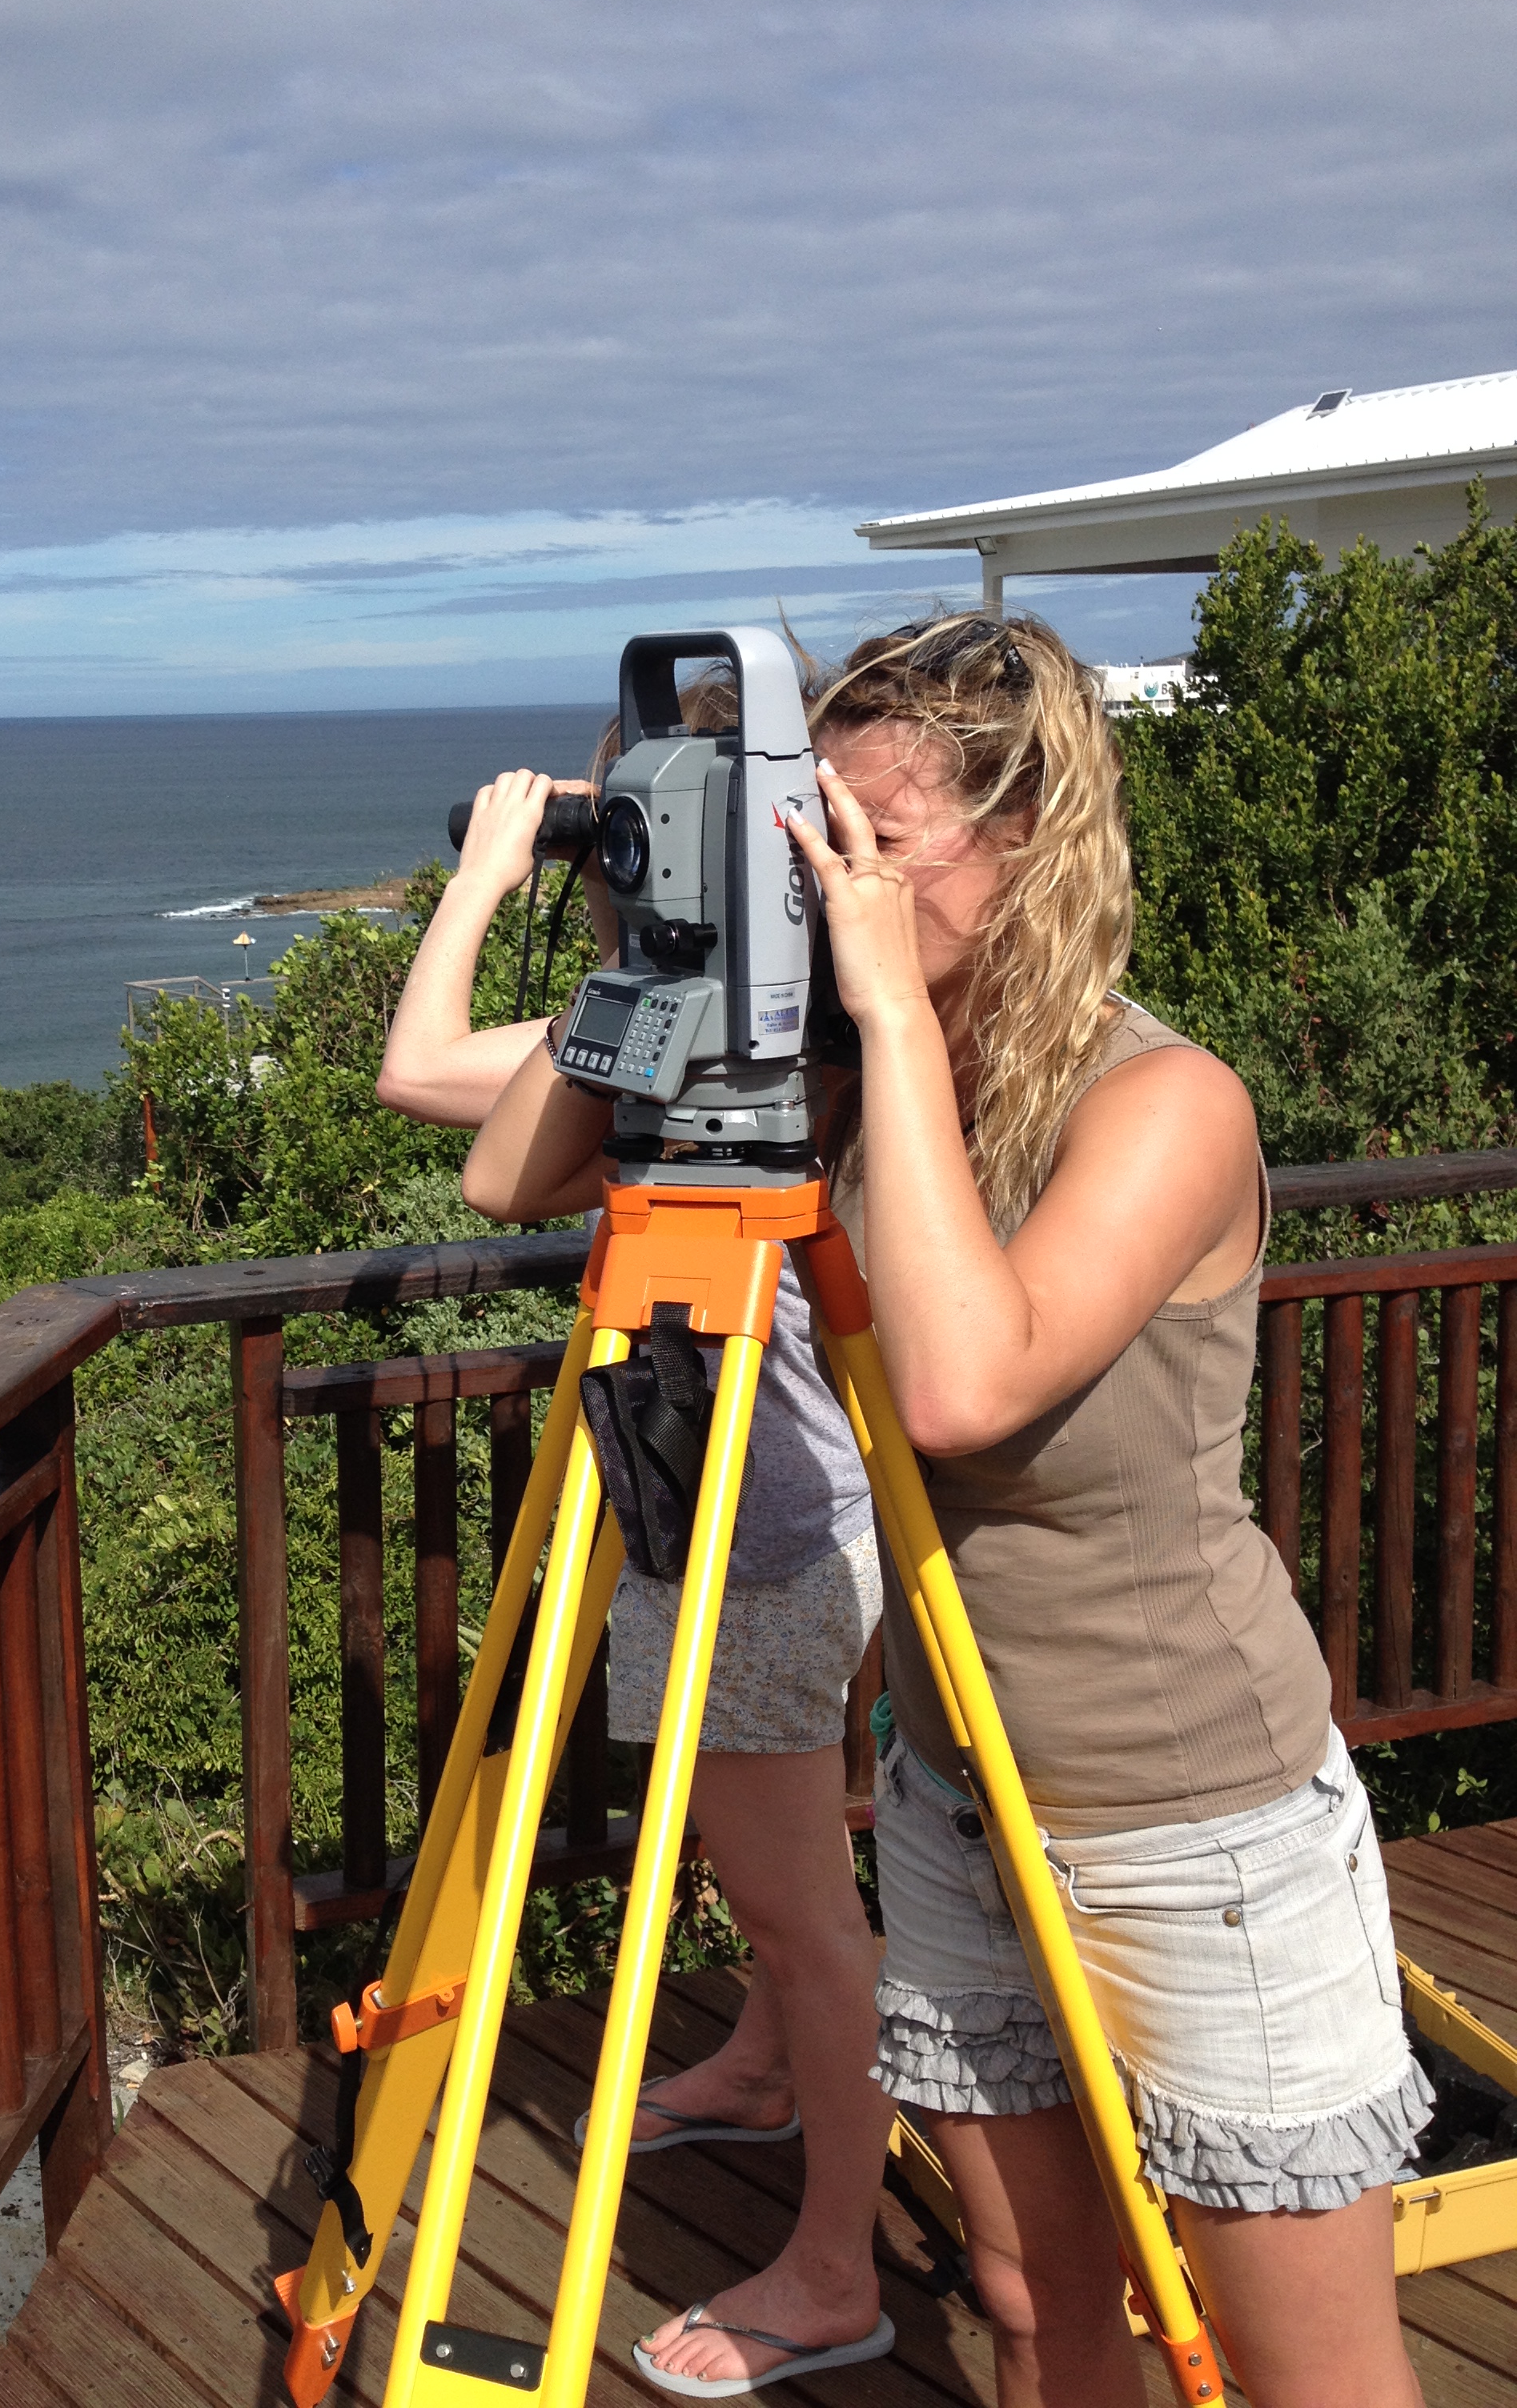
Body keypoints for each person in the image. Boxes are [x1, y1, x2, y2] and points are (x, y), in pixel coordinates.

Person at [779, 613, 1426, 2408]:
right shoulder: (883, 1077)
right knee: (1026, 2294)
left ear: (1028, 836)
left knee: (1308, 2371)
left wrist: (885, 1010)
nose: (837, 879)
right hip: (957, 1789)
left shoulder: (1163, 1103)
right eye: (811, 832)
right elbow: (513, 1160)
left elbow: (968, 1384)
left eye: (876, 842)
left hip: (1192, 1826)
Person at [382, 704, 901, 2398]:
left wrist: (483, 877)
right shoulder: (801, 1023)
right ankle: (758, 2071)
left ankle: (836, 2264)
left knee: (801, 1908)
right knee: (782, 1870)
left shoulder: (698, 1037)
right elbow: (429, 1079)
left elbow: (470, 1144)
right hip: (774, 1520)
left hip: (753, 1544)